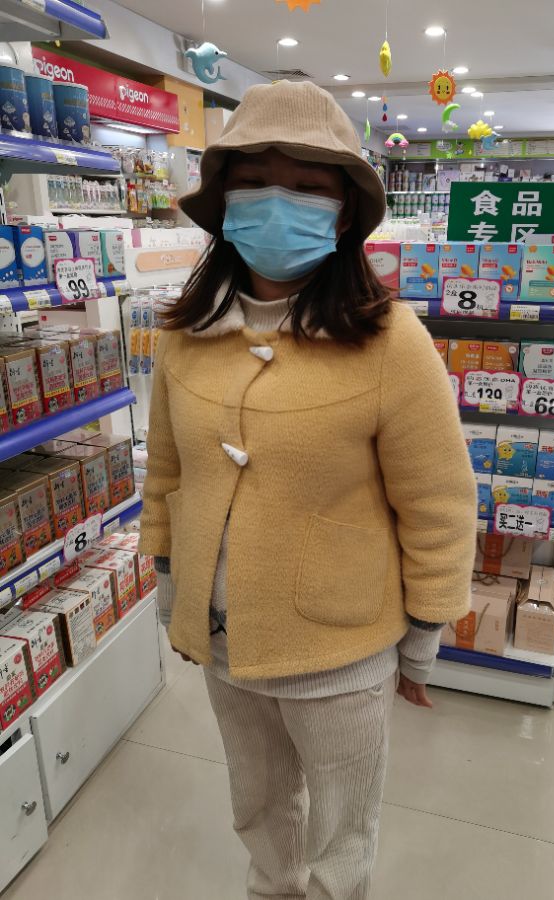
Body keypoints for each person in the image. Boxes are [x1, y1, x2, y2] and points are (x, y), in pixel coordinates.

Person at [139, 80, 476, 900]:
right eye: (253, 182)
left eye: (305, 186)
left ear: (343, 210)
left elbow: (436, 500)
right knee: (256, 804)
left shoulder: (391, 340)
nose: (275, 203)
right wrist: (171, 586)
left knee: (341, 832)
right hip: (222, 637)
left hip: (340, 649)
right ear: (224, 202)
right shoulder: (184, 333)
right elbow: (167, 469)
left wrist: (424, 638)